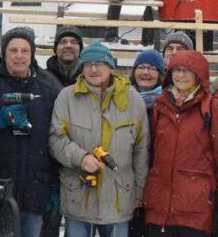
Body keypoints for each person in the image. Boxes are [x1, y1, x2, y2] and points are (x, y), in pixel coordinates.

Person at [0, 27, 61, 237]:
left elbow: (55, 140)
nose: (19, 56)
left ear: (32, 54)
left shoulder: (48, 92)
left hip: (35, 191)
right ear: (4, 54)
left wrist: (53, 186)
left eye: (24, 51)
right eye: (13, 50)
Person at [49, 41, 149, 237]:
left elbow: (141, 150)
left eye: (99, 64)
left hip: (118, 199)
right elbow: (56, 139)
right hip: (78, 196)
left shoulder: (132, 100)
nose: (93, 69)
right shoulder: (67, 98)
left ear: (110, 66)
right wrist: (81, 158)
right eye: (87, 64)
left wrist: (139, 192)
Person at [144, 50, 218, 237]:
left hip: (195, 209)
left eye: (187, 71)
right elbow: (152, 153)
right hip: (160, 207)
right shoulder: (160, 106)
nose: (180, 75)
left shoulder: (211, 107)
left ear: (199, 75)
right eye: (176, 70)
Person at [126, 49, 165, 237]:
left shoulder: (168, 103)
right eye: (141, 67)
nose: (146, 72)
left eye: (151, 68)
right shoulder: (122, 99)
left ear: (160, 74)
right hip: (127, 179)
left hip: (157, 179)